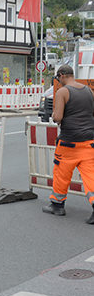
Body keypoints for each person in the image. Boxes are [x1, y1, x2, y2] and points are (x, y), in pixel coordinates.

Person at [43, 65, 94, 224]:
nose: (58, 81)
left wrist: (53, 115)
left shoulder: (63, 92)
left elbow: (58, 117)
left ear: (61, 75)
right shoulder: (88, 91)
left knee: (61, 174)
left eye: (58, 79)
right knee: (90, 176)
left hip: (69, 142)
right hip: (89, 141)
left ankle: (57, 205)